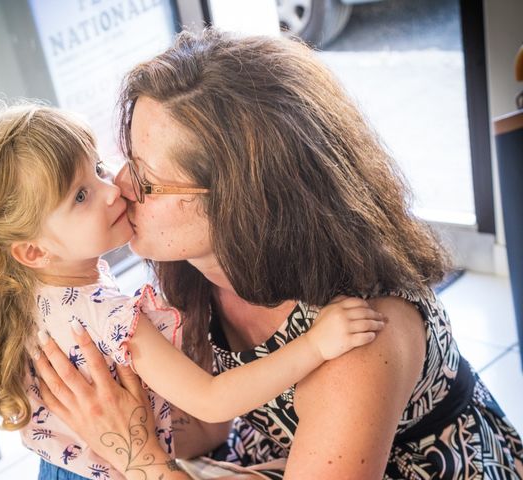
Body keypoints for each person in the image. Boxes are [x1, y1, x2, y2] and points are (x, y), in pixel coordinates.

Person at [34, 29, 523, 479]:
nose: (119, 188)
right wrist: (105, 410)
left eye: (145, 178)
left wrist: (136, 455)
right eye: (124, 161)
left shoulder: (359, 339)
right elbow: (212, 427)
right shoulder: (200, 267)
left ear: (240, 201)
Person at [0, 102, 386, 480]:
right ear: (32, 252)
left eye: (96, 169)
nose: (112, 189)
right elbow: (214, 399)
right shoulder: (108, 316)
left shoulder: (30, 300)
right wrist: (316, 344)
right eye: (80, 196)